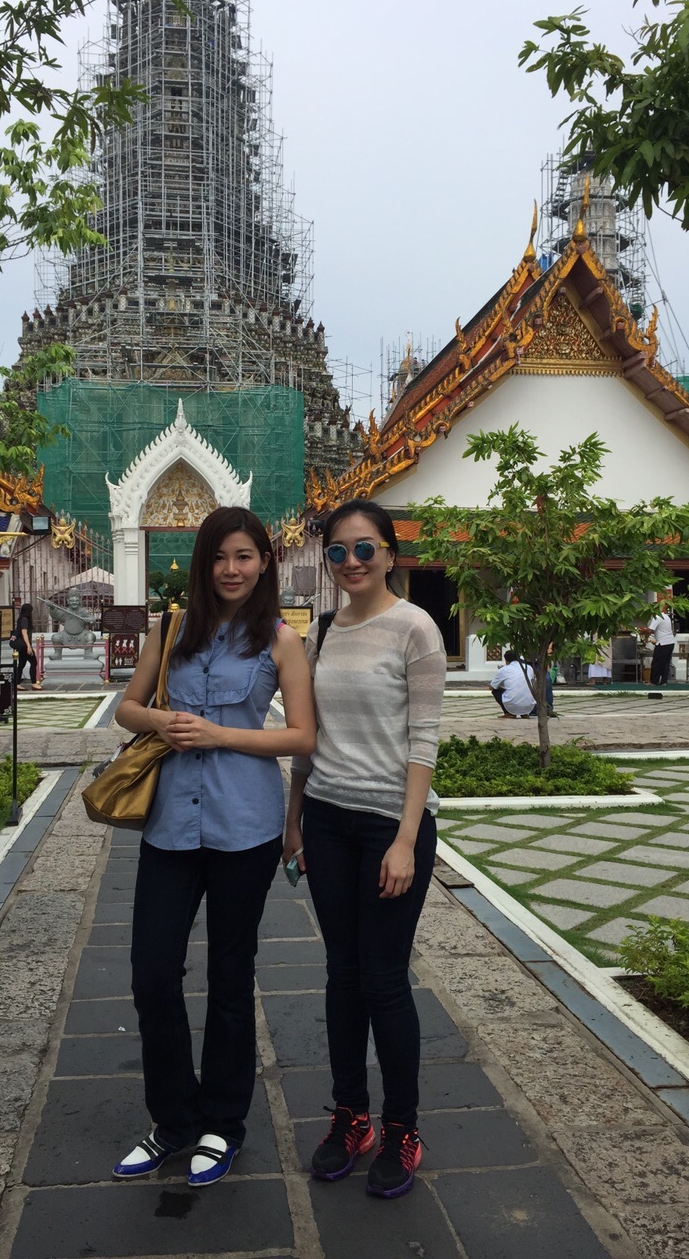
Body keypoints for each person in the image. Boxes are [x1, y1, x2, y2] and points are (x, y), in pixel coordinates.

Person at [112, 507, 316, 1188]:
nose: (232, 569)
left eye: (245, 556)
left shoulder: (280, 641)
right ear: (204, 565)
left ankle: (222, 1124)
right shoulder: (171, 629)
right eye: (220, 558)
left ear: (264, 562)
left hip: (244, 827)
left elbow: (302, 737)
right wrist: (167, 723)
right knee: (151, 973)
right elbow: (127, 708)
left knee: (231, 979)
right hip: (171, 824)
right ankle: (173, 1119)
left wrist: (221, 735)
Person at [284, 498, 446, 1199]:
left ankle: (403, 1127)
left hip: (389, 827)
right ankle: (351, 1117)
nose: (351, 564)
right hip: (326, 818)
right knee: (341, 974)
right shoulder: (322, 632)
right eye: (338, 553)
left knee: (383, 978)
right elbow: (308, 738)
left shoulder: (416, 629)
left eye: (364, 550)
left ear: (390, 552)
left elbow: (424, 742)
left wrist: (406, 839)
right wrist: (294, 822)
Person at [489, 650, 535, 717]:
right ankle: (524, 714)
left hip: (512, 705)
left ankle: (509, 713)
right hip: (530, 705)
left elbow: (491, 687)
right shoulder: (529, 667)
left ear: (506, 660)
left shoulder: (504, 670)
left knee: (496, 691)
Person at [12, 603, 41, 690]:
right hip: (24, 645)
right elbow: (24, 633)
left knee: (21, 665)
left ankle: (17, 683)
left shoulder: (21, 619)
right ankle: (34, 683)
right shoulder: (25, 619)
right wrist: (29, 646)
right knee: (34, 663)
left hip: (21, 645)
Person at [647, 601, 676, 685]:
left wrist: (642, 631)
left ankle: (653, 681)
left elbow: (650, 630)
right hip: (670, 642)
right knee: (665, 662)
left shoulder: (657, 617)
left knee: (656, 662)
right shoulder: (666, 617)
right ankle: (664, 681)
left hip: (663, 643)